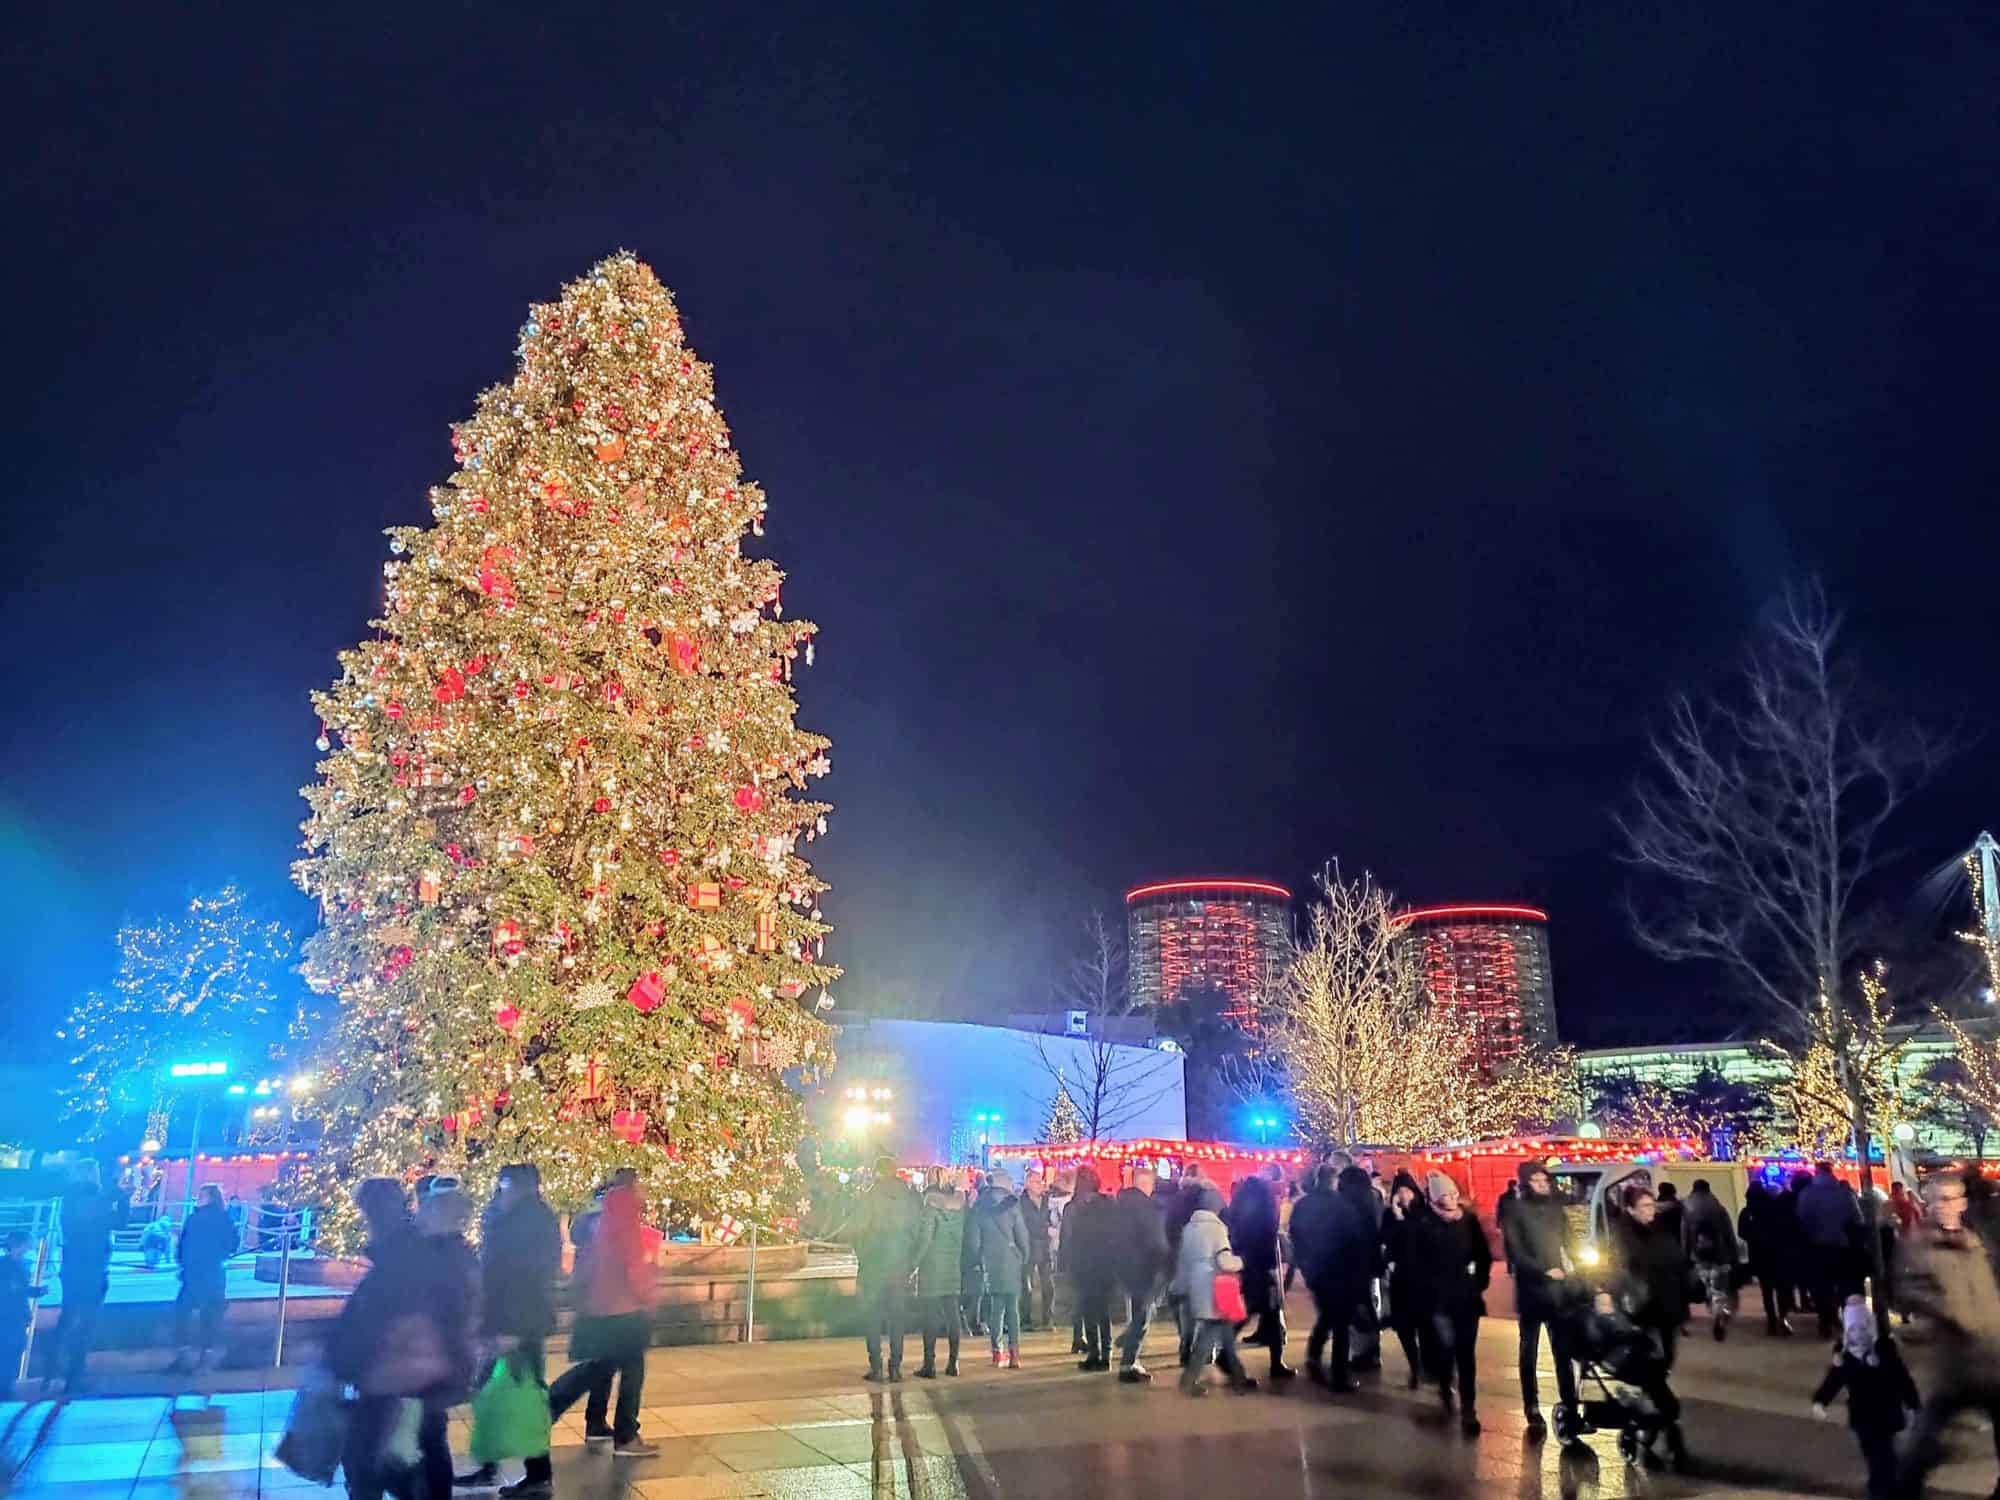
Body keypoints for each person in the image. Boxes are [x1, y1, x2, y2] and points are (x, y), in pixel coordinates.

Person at [331, 1177, 477, 1500]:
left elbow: (379, 1318)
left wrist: (342, 1360)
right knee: (421, 1450)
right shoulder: (415, 1248)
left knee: (373, 1461)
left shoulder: (402, 1253)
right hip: (420, 1376)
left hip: (401, 1378)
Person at [457, 1164, 562, 1496]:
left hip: (519, 1323)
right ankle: (494, 1466)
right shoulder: (508, 1215)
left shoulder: (532, 1221)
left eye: (507, 1184)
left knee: (525, 1395)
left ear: (523, 1186)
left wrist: (512, 1328)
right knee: (493, 1392)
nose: (503, 1189)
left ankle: (537, 1474)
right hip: (505, 1319)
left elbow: (529, 1278)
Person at [1898, 1171, 2000, 1497]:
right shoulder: (1919, 1245)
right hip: (1956, 1360)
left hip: (1991, 1352)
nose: (1945, 1206)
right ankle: (1903, 1489)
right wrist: (1946, 1308)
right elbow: (1904, 1289)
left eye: (1952, 1198)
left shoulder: (1975, 1240)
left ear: (1963, 1202)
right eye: (1938, 1199)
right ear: (1927, 1203)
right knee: (1928, 1437)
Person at [548, 1170, 658, 1454]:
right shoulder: (625, 1216)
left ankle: (594, 1423)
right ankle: (625, 1435)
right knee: (630, 1368)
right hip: (623, 1308)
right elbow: (633, 1262)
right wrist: (647, 1295)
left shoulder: (598, 1217)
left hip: (598, 1305)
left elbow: (585, 1260)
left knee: (603, 1366)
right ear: (632, 1187)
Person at [1812, 1294, 1920, 1499]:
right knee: (1877, 1459)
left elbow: (1902, 1379)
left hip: (1887, 1414)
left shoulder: (1885, 1350)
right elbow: (1834, 1381)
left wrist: (1913, 1405)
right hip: (1863, 1418)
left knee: (1884, 1459)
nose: (1858, 1334)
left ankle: (1885, 1491)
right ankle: (1884, 1491)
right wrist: (1820, 1401)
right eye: (1853, 1330)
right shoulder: (1845, 1356)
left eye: (1862, 1328)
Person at [1502, 1161, 1581, 1438]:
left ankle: (1570, 1403)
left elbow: (1570, 1241)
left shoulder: (1556, 1209)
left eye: (1544, 1180)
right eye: (1535, 1181)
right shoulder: (1516, 1211)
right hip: (1532, 1290)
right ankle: (1531, 1404)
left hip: (1559, 1290)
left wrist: (1579, 1264)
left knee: (1563, 1351)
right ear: (1525, 1183)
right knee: (1529, 1350)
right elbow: (1516, 1252)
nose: (1542, 1185)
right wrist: (1543, 1270)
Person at [1410, 1171, 1490, 1435]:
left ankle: (1469, 1408)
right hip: (1437, 1299)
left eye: (1454, 1193)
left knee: (1466, 1353)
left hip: (1466, 1296)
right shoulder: (1424, 1224)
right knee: (1446, 1348)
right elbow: (1416, 1262)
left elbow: (1483, 1253)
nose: (1452, 1199)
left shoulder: (1468, 1220)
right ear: (1434, 1198)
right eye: (1445, 1195)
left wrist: (1480, 1281)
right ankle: (1445, 1385)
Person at [1172, 1182, 1255, 1396]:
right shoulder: (1217, 1228)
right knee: (1209, 1337)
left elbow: (1184, 1260)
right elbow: (1224, 1261)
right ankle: (1189, 1380)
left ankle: (1238, 1377)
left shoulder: (1189, 1228)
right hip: (1216, 1289)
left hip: (1197, 1287)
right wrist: (1242, 1262)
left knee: (1225, 1336)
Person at [1288, 1164, 1365, 1391]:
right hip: (1340, 1271)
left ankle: (1313, 1356)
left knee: (1327, 1315)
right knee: (1340, 1323)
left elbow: (1295, 1235)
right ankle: (1338, 1375)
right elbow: (1354, 1240)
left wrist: (1305, 1264)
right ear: (1334, 1181)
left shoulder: (1303, 1205)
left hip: (1316, 1271)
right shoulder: (1343, 1206)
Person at [843, 1158, 920, 1383]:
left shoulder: (870, 1196)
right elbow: (916, 1230)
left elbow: (857, 1230)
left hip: (874, 1266)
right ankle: (895, 1367)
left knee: (873, 1318)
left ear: (877, 1173)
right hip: (899, 1266)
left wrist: (865, 1256)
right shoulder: (909, 1198)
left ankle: (876, 1366)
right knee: (897, 1317)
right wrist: (909, 1260)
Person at [51, 1160, 117, 1393]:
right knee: (86, 1321)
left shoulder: (69, 1200)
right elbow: (116, 1222)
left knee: (68, 1315)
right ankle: (74, 1374)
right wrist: (120, 1198)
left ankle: (52, 1368)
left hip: (73, 1265)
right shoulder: (97, 1199)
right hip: (93, 1266)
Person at [1612, 1185, 1690, 1371]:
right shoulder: (1624, 1235)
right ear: (1631, 1210)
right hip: (1646, 1307)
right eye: (1644, 1206)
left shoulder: (1660, 1230)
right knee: (1655, 1357)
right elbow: (1622, 1269)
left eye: (1651, 1205)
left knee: (1667, 1355)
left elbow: (1677, 1260)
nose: (1650, 1210)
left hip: (1669, 1304)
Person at [1230, 1172, 1294, 1379]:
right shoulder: (1265, 1211)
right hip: (1264, 1267)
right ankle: (1276, 1363)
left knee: (1257, 1312)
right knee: (1265, 1312)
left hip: (1249, 1266)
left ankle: (1276, 1363)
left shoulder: (1239, 1211)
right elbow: (1269, 1239)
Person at [171, 1184, 239, 1374]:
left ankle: (183, 1356)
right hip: (213, 1272)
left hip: (193, 1273)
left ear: (210, 1198)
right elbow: (233, 1244)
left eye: (202, 1195)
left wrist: (182, 1263)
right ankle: (205, 1359)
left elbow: (184, 1244)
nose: (198, 1198)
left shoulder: (194, 1219)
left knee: (182, 1312)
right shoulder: (224, 1219)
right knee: (210, 1317)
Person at [1112, 1165, 1168, 1382]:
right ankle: (1128, 1362)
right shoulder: (1147, 1208)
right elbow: (1156, 1241)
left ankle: (1127, 1343)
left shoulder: (1119, 1205)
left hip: (1126, 1268)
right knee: (1144, 1314)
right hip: (1146, 1268)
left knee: (1140, 1311)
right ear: (1146, 1184)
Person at [1059, 1165, 1117, 1371]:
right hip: (1105, 1264)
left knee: (1088, 1311)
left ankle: (1094, 1353)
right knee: (1103, 1312)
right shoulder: (1108, 1203)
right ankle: (1107, 1354)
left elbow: (1066, 1238)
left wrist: (1063, 1264)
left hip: (1083, 1264)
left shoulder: (1073, 1207)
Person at [1798, 1162, 1864, 1338]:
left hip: (1817, 1248)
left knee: (1821, 1288)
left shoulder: (1807, 1194)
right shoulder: (1844, 1193)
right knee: (1844, 1286)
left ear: (1816, 1172)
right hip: (1842, 1247)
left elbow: (1801, 1220)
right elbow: (1857, 1219)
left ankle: (1825, 1322)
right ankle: (1844, 1320)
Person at [911, 1168, 966, 1378]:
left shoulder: (929, 1205)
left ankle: (929, 1364)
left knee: (930, 1317)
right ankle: (953, 1363)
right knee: (953, 1314)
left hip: (932, 1266)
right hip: (952, 1263)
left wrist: (913, 1264)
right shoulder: (959, 1206)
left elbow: (925, 1239)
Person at [1380, 1171, 1432, 1390]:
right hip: (1400, 1277)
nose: (1403, 1195)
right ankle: (1415, 1366)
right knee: (1404, 1326)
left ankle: (1429, 1367)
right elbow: (1386, 1241)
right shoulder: (1389, 1215)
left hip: (1423, 1277)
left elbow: (1419, 1239)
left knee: (1425, 1325)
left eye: (1407, 1191)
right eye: (1399, 1191)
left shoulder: (1424, 1213)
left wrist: (1402, 1220)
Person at [974, 1169, 1031, 1369]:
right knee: (1012, 1309)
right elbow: (1022, 1234)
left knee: (996, 1308)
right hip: (1011, 1259)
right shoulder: (1012, 1204)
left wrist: (977, 1258)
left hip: (990, 1260)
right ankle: (1014, 1354)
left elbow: (975, 1239)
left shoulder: (980, 1205)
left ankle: (997, 1353)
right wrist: (1024, 1255)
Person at [1337, 1165, 1386, 1371]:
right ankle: (1371, 1350)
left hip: (1352, 1261)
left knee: (1357, 1307)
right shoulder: (1374, 1197)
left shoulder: (1345, 1202)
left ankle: (1363, 1353)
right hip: (1372, 1260)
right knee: (1369, 1304)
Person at [1683, 1177, 1741, 1342]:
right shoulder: (1718, 1207)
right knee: (1719, 1289)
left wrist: (1686, 1256)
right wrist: (1734, 1256)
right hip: (1720, 1256)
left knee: (1707, 1287)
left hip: (1699, 1257)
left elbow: (1685, 1235)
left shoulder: (1687, 1208)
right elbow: (1729, 1234)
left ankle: (1712, 1307)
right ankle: (1719, 1314)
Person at [1739, 1182, 1797, 1336]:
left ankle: (1771, 1321)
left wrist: (1754, 1238)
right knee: (1781, 1288)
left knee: (1767, 1291)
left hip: (1759, 1255)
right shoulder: (1774, 1209)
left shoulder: (1747, 1212)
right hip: (1778, 1254)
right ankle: (1783, 1319)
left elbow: (1742, 1232)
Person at [1165, 1165, 1208, 1367]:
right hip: (1199, 1255)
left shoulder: (1175, 1198)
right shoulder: (1203, 1199)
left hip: (1177, 1255)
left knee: (1182, 1304)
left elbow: (1169, 1228)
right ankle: (1195, 1349)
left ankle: (1185, 1344)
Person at [0, 1230, 43, 1401]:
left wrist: (34, 1292)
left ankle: (7, 1386)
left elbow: (18, 1290)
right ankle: (4, 1388)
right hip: (8, 1316)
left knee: (14, 1348)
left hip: (15, 1315)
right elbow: (11, 1291)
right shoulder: (6, 1267)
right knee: (9, 1349)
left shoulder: (18, 1265)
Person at [1019, 1170, 1056, 1332]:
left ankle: (1047, 1318)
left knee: (1048, 1285)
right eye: (1035, 1181)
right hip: (1028, 1247)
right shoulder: (1021, 1202)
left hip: (1044, 1248)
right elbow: (1026, 1224)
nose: (1039, 1184)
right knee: (1026, 1286)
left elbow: (1049, 1219)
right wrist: (1046, 1229)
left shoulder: (1047, 1201)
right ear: (1027, 1184)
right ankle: (1025, 1319)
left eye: (1040, 1181)